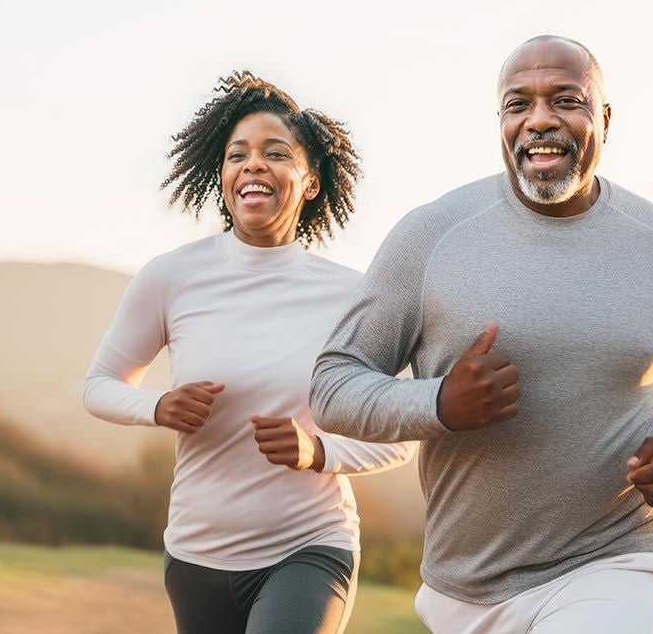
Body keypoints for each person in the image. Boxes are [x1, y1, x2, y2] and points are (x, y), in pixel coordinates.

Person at [309, 36, 653, 633]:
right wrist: (438, 402)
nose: (540, 119)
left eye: (566, 100)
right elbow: (333, 385)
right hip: (466, 585)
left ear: (603, 118)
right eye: (517, 103)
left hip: (620, 557)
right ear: (501, 121)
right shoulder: (430, 237)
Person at [84, 71, 416, 634]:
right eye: (238, 154)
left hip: (309, 547)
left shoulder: (352, 294)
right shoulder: (171, 277)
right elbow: (100, 385)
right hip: (195, 555)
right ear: (223, 176)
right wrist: (157, 406)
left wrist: (318, 450)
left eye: (276, 153)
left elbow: (405, 426)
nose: (253, 164)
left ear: (310, 182)